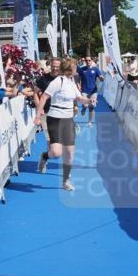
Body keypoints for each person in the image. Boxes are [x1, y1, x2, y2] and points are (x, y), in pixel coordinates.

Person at [36, 59, 89, 191]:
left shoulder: (72, 82)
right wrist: (38, 116)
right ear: (69, 69)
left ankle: (65, 181)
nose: (77, 69)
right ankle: (44, 156)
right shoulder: (57, 81)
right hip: (54, 118)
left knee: (70, 152)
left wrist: (89, 100)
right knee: (56, 152)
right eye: (75, 67)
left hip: (68, 120)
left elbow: (79, 98)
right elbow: (44, 97)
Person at [77, 56, 102, 126]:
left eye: (89, 60)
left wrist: (102, 78)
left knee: (91, 107)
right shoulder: (81, 69)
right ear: (84, 61)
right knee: (85, 105)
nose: (88, 62)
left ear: (91, 61)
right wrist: (78, 85)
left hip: (93, 91)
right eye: (86, 60)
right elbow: (78, 78)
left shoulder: (96, 69)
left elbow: (101, 78)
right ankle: (84, 108)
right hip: (84, 90)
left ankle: (89, 121)